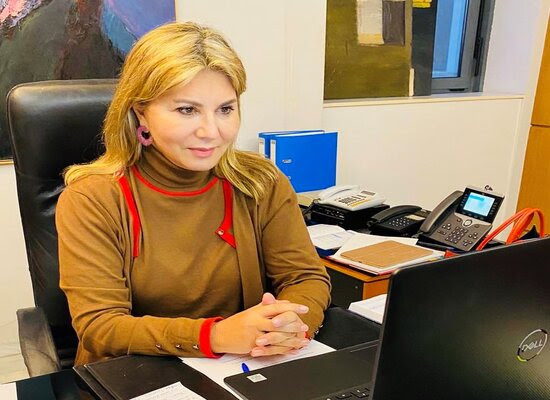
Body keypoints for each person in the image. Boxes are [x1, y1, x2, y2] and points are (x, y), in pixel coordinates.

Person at [56, 21, 331, 366]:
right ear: (141, 112)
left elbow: (305, 278)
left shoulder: (260, 181)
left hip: (245, 365)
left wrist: (292, 325)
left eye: (225, 109)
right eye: (187, 110)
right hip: (133, 374)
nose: (211, 131)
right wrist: (214, 336)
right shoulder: (92, 199)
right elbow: (101, 327)